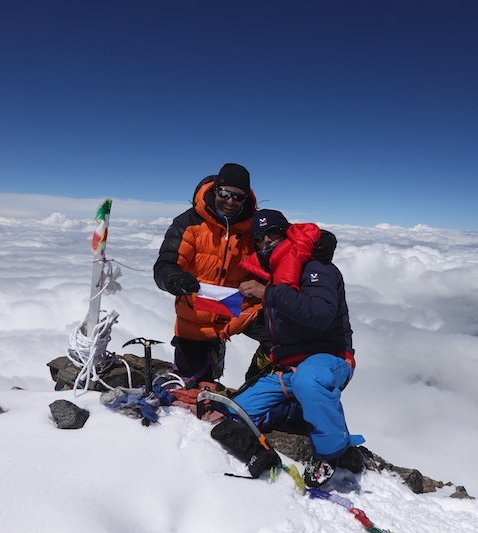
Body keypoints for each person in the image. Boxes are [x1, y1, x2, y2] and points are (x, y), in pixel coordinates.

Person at [210, 209, 364, 487]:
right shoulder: (275, 275)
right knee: (235, 412)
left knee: (309, 380)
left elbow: (319, 315)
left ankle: (332, 452)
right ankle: (293, 411)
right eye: (259, 237)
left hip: (330, 359)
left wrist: (267, 293)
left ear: (287, 233)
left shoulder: (316, 269)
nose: (267, 240)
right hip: (288, 369)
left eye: (274, 233)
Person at [153, 163, 270, 383]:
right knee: (192, 383)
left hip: (239, 305)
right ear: (216, 189)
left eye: (238, 197)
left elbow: (282, 245)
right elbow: (165, 264)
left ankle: (257, 390)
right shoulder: (189, 223)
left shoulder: (253, 227)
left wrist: (314, 245)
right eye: (225, 193)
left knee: (286, 339)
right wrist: (174, 279)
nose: (231, 201)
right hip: (197, 310)